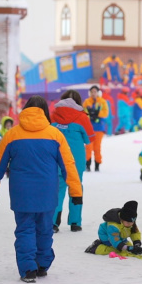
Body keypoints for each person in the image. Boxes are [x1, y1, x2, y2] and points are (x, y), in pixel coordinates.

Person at [0, 95, 83, 283]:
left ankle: (28, 268)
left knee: (25, 229)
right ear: (45, 112)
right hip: (47, 193)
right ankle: (42, 264)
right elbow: (69, 165)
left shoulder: (12, 134)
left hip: (22, 194)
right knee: (45, 229)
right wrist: (76, 193)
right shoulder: (55, 135)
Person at [51, 90, 94, 233]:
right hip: (76, 160)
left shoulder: (53, 115)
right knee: (76, 188)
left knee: (57, 190)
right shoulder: (82, 117)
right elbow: (90, 138)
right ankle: (75, 222)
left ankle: (53, 223)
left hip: (57, 158)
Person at [83, 85, 109, 171]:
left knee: (97, 148)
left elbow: (106, 113)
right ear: (89, 93)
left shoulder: (102, 102)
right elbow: (83, 113)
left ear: (98, 93)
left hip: (99, 128)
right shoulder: (86, 102)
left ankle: (97, 165)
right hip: (89, 128)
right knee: (88, 147)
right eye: (92, 92)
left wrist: (97, 114)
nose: (93, 93)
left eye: (95, 92)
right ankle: (88, 164)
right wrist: (89, 115)